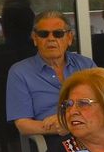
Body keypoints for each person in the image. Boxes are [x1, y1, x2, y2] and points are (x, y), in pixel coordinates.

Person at [5, 11, 95, 139]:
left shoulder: (86, 65)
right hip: (53, 139)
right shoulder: (20, 72)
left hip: (91, 133)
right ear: (35, 39)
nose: (51, 38)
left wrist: (68, 122)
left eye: (58, 34)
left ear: (69, 38)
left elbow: (103, 103)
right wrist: (59, 127)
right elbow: (23, 125)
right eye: (43, 34)